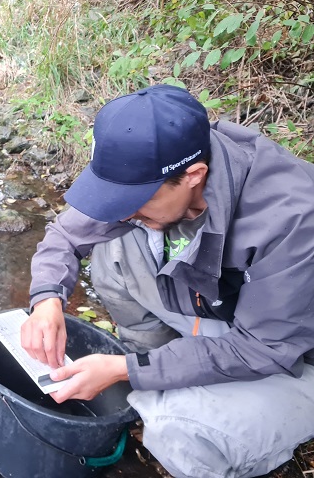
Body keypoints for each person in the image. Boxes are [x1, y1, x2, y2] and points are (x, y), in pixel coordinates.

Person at [21, 84, 314, 478]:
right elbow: (67, 235)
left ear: (194, 175)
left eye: (134, 203)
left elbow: (262, 349)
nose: (123, 214)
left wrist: (129, 369)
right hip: (220, 312)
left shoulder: (294, 219)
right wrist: (46, 301)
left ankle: (203, 413)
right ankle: (159, 373)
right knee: (113, 249)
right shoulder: (154, 170)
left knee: (177, 432)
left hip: (290, 353)